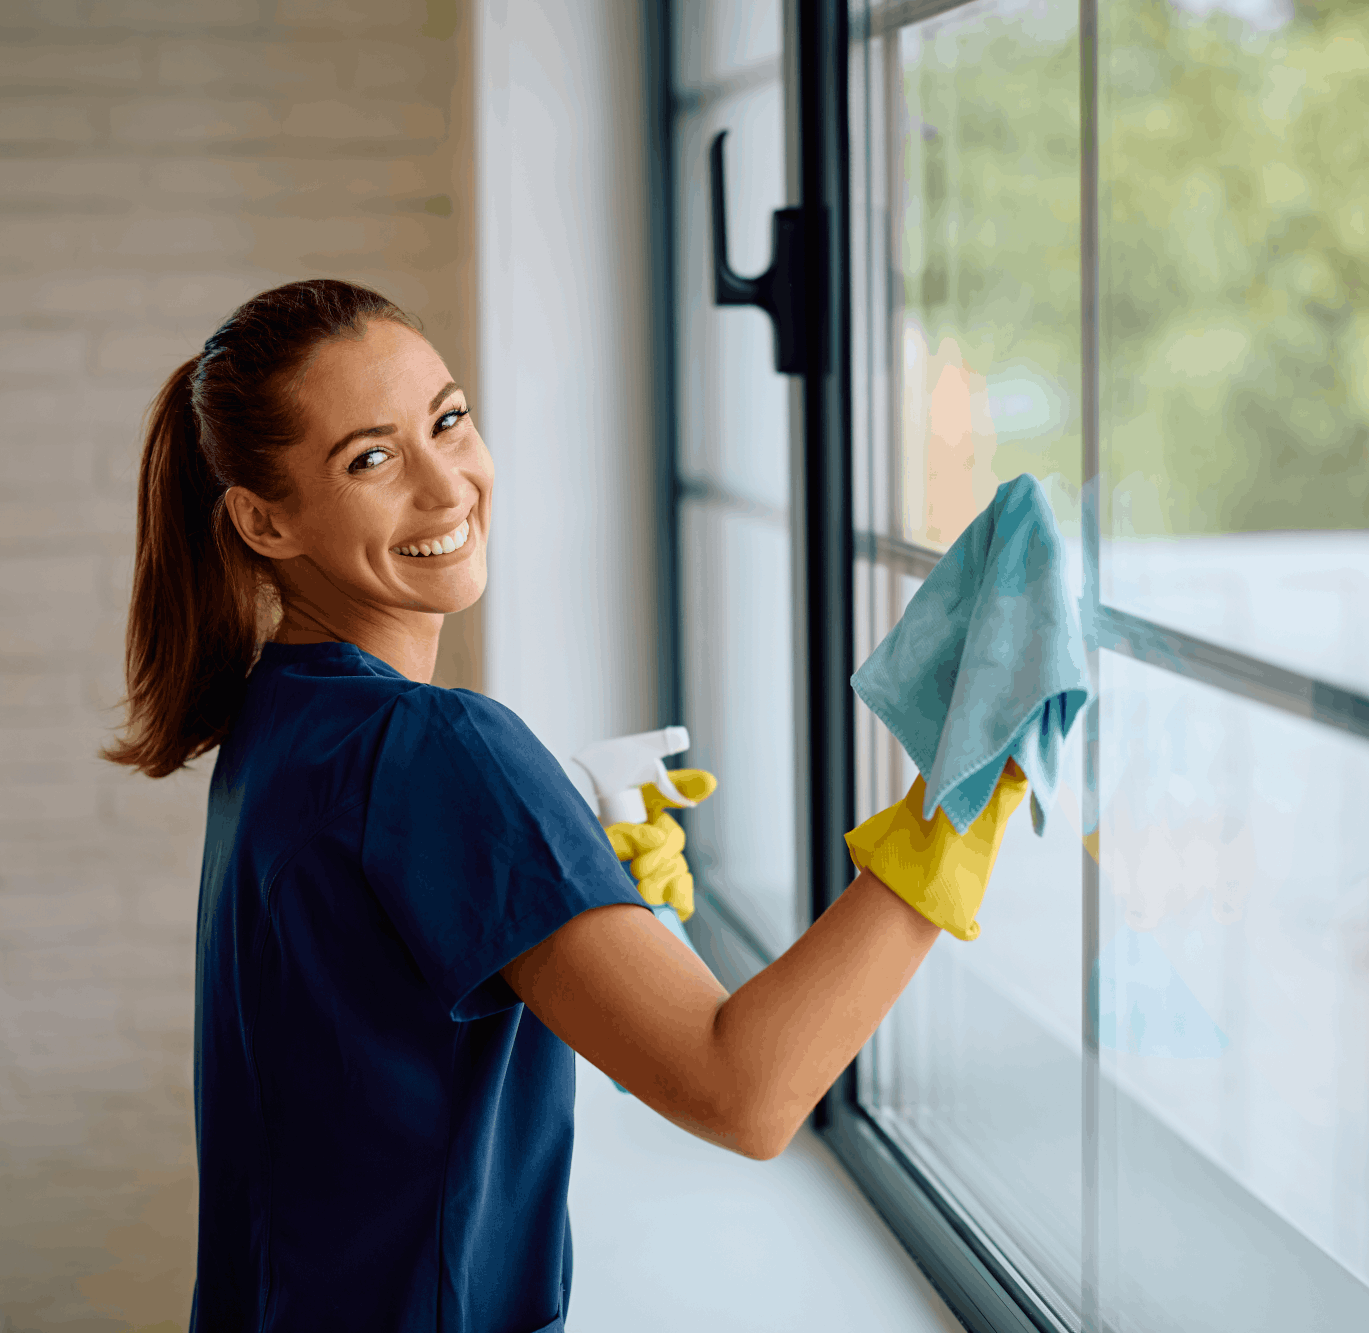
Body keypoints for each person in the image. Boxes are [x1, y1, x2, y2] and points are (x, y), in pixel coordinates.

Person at [104, 279, 1029, 1332]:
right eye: (371, 459)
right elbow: (746, 1093)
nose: (446, 488)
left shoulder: (277, 722)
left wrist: (550, 859)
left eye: (447, 420)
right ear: (265, 520)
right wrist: (954, 810)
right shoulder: (437, 748)